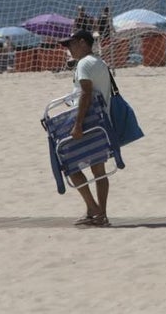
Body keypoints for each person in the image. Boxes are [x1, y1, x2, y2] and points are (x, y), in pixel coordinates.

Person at [62, 28, 114, 227]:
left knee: (70, 165)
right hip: (101, 121)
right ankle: (100, 214)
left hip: (88, 121)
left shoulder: (83, 64)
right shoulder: (99, 62)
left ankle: (94, 209)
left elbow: (86, 93)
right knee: (98, 169)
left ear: (83, 43)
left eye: (72, 44)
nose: (69, 49)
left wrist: (77, 125)